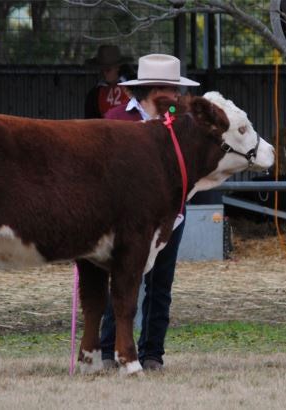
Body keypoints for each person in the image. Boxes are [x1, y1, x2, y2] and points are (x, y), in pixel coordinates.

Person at [98, 54, 199, 371]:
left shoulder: (184, 124)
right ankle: (109, 350)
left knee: (160, 284)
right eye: (170, 89)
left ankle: (152, 352)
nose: (176, 96)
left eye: (176, 89)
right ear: (153, 89)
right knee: (121, 282)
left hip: (171, 214)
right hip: (122, 217)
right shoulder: (115, 118)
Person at [84, 45, 134, 119]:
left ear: (118, 68)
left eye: (108, 70)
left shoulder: (133, 89)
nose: (104, 74)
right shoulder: (95, 94)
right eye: (101, 70)